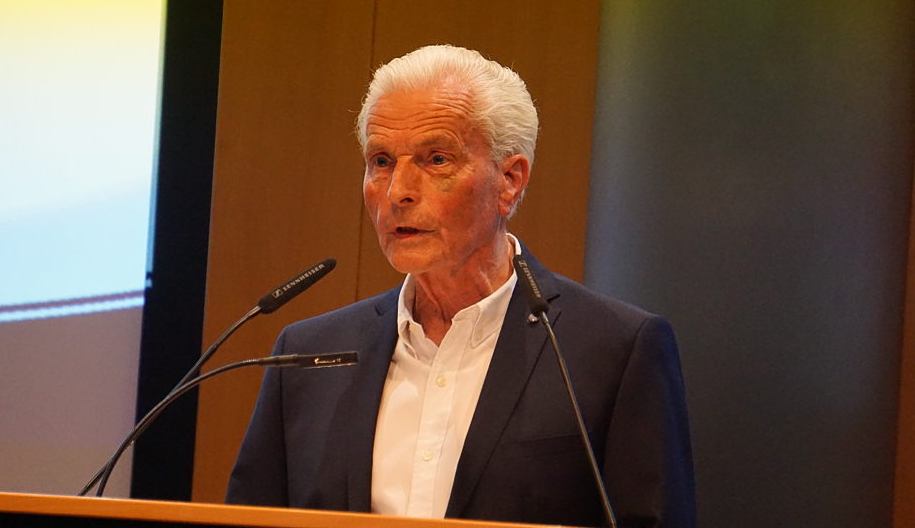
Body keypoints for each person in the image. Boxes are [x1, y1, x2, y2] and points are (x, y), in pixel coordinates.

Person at [226, 45, 695, 527]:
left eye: (436, 159)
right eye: (381, 161)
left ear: (509, 181)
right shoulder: (307, 356)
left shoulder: (614, 351)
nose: (398, 192)